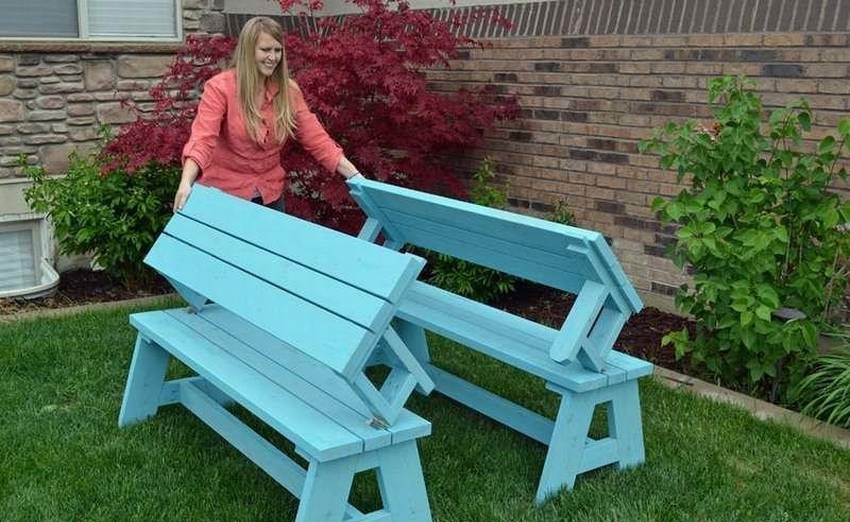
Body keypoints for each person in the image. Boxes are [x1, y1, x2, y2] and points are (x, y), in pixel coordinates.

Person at [173, 16, 361, 212]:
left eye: (277, 50)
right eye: (265, 50)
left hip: (270, 196)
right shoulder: (220, 87)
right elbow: (202, 139)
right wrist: (186, 182)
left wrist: (355, 177)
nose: (273, 57)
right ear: (248, 51)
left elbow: (318, 140)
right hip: (222, 198)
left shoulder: (289, 91)